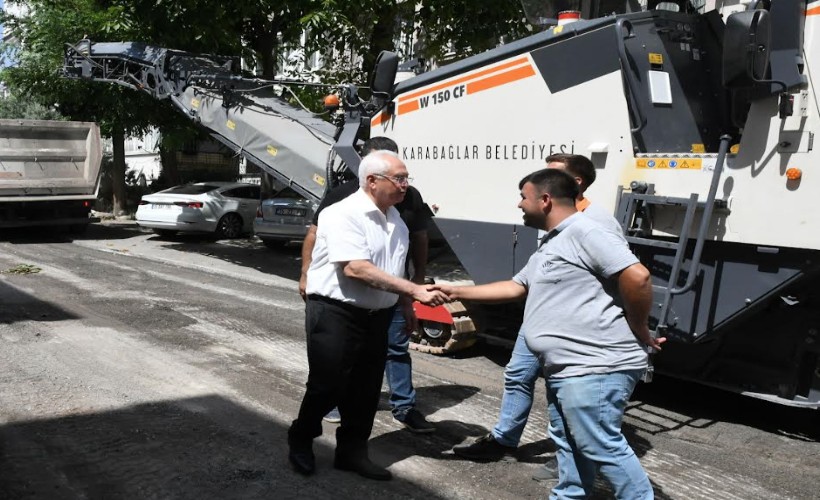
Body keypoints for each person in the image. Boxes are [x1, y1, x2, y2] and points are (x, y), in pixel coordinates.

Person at [437, 168, 665, 499]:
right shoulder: (554, 241)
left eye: (523, 197)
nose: (519, 205)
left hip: (594, 365)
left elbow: (638, 276)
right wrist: (454, 292)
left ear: (544, 200)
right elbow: (516, 286)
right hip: (565, 365)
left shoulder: (587, 232)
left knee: (601, 445)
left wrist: (639, 325)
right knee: (569, 439)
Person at [452, 154, 625, 482]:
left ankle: (569, 459)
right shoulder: (552, 219)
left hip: (572, 327)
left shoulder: (598, 223)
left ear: (573, 183)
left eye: (550, 175)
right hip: (539, 318)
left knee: (563, 395)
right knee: (517, 374)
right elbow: (529, 278)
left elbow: (628, 275)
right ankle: (503, 439)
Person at [287, 150, 447, 481]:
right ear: (372, 181)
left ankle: (352, 452)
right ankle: (301, 437)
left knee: (365, 389)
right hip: (335, 311)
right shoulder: (342, 213)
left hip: (380, 315)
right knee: (327, 385)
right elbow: (355, 268)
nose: (405, 185)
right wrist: (414, 289)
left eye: (406, 178)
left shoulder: (396, 220)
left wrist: (405, 302)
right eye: (399, 178)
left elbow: (394, 266)